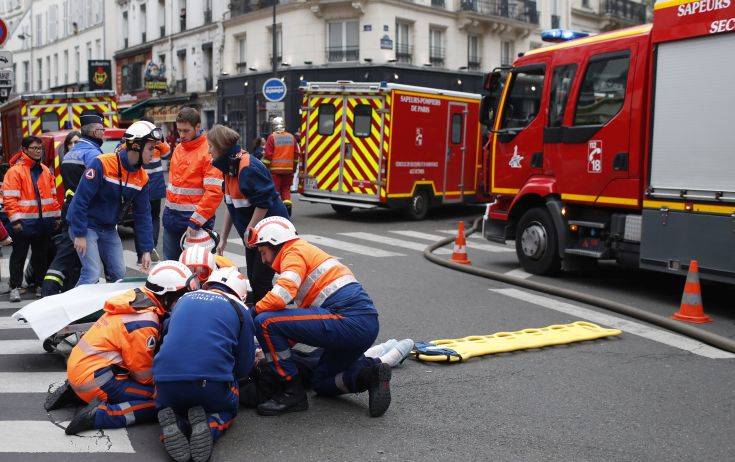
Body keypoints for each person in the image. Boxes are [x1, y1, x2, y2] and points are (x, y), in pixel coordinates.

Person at [249, 216, 392, 417]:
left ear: (275, 242)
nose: (263, 260)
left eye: (263, 252)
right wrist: (263, 348)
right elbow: (293, 329)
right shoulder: (304, 253)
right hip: (362, 325)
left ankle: (292, 393)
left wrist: (251, 313)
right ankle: (371, 376)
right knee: (322, 382)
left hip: (347, 319)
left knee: (265, 322)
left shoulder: (293, 251)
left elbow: (282, 295)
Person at [60, 261, 198, 434]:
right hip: (95, 380)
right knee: (162, 400)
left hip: (83, 367)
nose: (186, 298)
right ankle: (100, 416)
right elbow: (143, 376)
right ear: (167, 294)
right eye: (182, 294)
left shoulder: (138, 297)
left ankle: (76, 394)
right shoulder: (144, 323)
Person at [154, 267, 254, 462]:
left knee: (175, 403)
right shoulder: (241, 310)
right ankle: (210, 426)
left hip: (165, 381)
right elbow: (243, 368)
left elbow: (166, 336)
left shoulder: (183, 300)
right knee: (229, 407)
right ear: (240, 294)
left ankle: (175, 425)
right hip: (208, 385)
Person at [67, 121, 159, 285]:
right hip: (86, 225)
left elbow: (143, 215)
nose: (154, 153)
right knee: (92, 273)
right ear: (136, 146)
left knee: (119, 274)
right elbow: (80, 199)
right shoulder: (102, 163)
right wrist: (79, 233)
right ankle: (77, 308)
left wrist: (146, 250)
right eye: (151, 148)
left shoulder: (142, 177)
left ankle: (110, 309)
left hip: (108, 228)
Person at [207, 124, 288, 305]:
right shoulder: (229, 167)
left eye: (211, 146)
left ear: (221, 147)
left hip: (271, 233)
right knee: (253, 278)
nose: (209, 150)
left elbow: (264, 202)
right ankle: (264, 310)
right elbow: (231, 204)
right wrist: (224, 238)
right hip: (255, 235)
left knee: (261, 280)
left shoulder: (247, 168)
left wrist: (249, 230)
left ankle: (268, 318)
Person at [2, 136, 61, 301]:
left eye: (40, 148)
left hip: (43, 222)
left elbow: (53, 196)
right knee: (19, 256)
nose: (38, 151)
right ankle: (15, 286)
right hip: (22, 223)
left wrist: (56, 217)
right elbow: (10, 199)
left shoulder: (45, 170)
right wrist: (15, 221)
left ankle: (40, 285)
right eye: (34, 148)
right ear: (25, 149)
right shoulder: (15, 171)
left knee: (40, 256)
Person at [161, 107, 223, 261]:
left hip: (195, 222)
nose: (181, 135)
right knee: (171, 269)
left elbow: (214, 192)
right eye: (179, 131)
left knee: (196, 268)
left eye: (186, 131)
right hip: (172, 219)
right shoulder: (179, 149)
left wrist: (196, 222)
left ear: (197, 127)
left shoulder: (208, 151)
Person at [136, 118, 170, 263]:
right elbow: (168, 155)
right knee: (154, 217)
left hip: (140, 185)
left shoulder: (138, 141)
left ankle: (141, 253)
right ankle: (151, 247)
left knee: (141, 217)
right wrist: (161, 141)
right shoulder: (157, 143)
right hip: (155, 185)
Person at [263, 117, 299, 216]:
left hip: (275, 170)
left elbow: (268, 155)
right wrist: (294, 168)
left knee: (275, 191)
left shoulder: (272, 137)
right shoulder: (291, 137)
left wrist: (265, 168)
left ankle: (277, 212)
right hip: (288, 170)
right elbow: (296, 155)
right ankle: (287, 209)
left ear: (274, 126)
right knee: (286, 189)